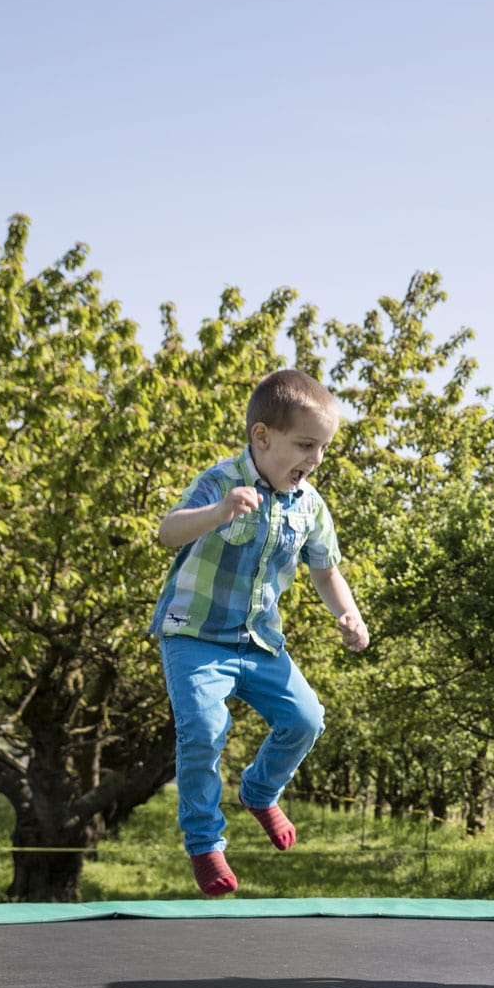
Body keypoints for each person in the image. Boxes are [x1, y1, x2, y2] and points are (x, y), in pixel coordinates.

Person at [150, 368, 370, 896]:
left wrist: (350, 613)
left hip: (259, 642)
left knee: (306, 719)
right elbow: (167, 531)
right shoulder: (222, 481)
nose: (314, 460)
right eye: (305, 445)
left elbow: (326, 570)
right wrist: (219, 511)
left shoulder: (310, 504)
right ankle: (205, 843)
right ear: (263, 437)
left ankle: (259, 790)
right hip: (195, 636)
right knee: (204, 729)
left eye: (322, 449)